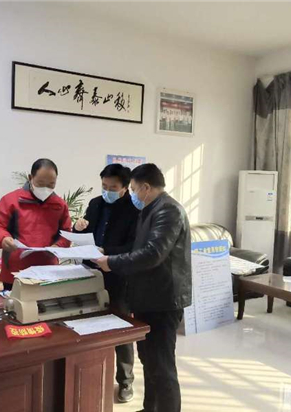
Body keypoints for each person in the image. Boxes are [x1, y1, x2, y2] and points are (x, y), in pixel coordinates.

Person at [95, 163, 192, 412]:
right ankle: (151, 408)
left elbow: (152, 254)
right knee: (149, 360)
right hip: (147, 297)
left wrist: (111, 262)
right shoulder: (150, 209)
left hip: (163, 300)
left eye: (134, 189)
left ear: (146, 187)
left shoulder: (168, 211)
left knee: (162, 365)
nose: (133, 195)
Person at [73, 164, 139, 403]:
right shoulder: (95, 204)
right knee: (88, 324)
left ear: (124, 188)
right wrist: (77, 227)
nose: (107, 191)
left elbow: (133, 246)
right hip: (90, 273)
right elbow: (83, 236)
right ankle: (89, 375)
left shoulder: (134, 210)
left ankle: (125, 381)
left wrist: (106, 251)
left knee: (121, 328)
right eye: (104, 186)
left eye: (113, 188)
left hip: (118, 276)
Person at [0, 159, 72, 290]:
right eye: (40, 183)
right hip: (15, 272)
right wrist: (3, 239)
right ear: (30, 178)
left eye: (51, 184)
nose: (45, 188)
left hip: (48, 271)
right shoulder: (11, 200)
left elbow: (66, 233)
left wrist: (58, 246)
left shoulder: (59, 205)